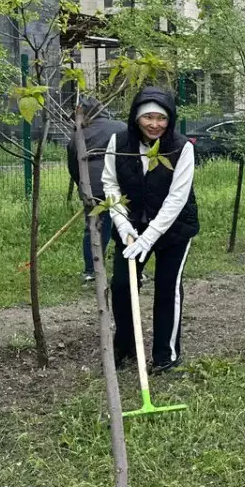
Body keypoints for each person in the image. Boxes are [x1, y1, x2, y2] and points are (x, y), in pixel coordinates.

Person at [102, 87, 199, 373]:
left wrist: (149, 237)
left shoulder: (182, 148)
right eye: (148, 118)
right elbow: (110, 184)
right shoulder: (119, 142)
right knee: (122, 286)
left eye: (161, 118)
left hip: (174, 229)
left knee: (167, 288)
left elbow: (177, 198)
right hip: (130, 227)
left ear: (170, 120)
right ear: (135, 118)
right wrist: (122, 224)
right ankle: (127, 346)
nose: (155, 124)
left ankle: (165, 355)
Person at [69, 97, 125, 284]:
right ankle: (129, 269)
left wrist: (83, 186)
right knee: (124, 224)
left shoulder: (79, 133)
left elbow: (73, 164)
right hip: (118, 184)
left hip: (91, 187)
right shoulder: (120, 127)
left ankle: (91, 271)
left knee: (93, 227)